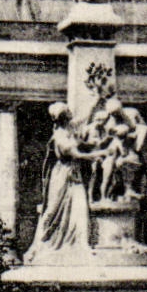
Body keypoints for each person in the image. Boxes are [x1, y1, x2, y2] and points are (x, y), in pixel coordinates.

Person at [24, 102, 104, 265]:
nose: (70, 111)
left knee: (80, 207)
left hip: (74, 175)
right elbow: (77, 155)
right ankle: (38, 244)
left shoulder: (69, 129)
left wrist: (97, 97)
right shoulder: (60, 136)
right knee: (52, 210)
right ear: (63, 116)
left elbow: (84, 117)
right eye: (67, 110)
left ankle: (82, 244)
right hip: (62, 176)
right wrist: (100, 153)